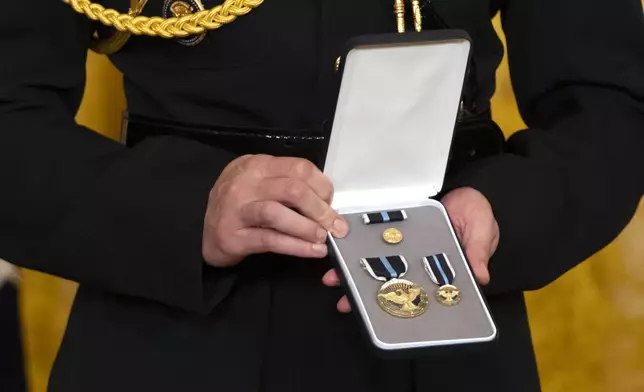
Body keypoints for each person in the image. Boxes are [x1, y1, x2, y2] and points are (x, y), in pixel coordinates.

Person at [0, 0, 642, 391]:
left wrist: (507, 209)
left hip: (443, 306)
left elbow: (609, 108)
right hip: (169, 325)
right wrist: (184, 206)